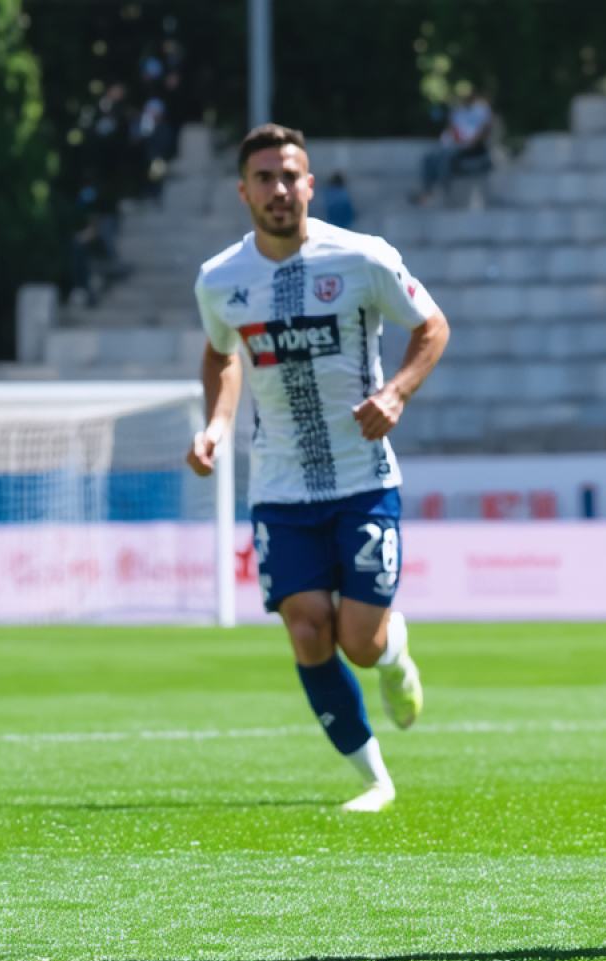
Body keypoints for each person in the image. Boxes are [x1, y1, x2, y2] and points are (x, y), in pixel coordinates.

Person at [188, 124, 449, 812]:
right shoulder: (220, 281)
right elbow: (220, 356)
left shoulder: (362, 258)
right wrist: (216, 425)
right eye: (265, 177)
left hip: (363, 478)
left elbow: (432, 327)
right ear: (243, 191)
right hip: (280, 486)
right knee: (306, 627)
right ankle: (374, 779)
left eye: (291, 175)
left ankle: (394, 656)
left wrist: (395, 392)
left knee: (359, 643)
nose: (279, 188)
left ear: (310, 184)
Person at [411, 89, 493, 206]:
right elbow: (452, 129)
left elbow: (485, 130)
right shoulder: (458, 111)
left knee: (446, 158)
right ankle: (427, 191)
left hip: (471, 148)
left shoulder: (482, 110)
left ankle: (442, 192)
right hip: (454, 145)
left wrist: (471, 142)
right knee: (428, 159)